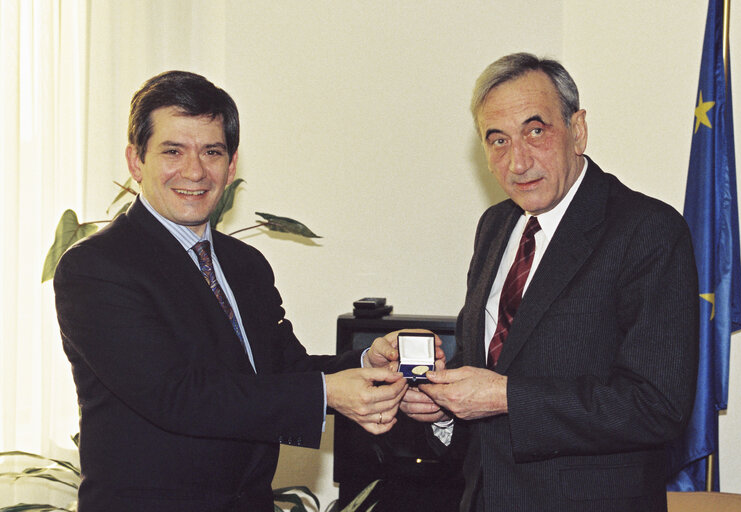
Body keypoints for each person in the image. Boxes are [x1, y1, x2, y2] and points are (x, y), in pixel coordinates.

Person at [54, 70, 406, 512]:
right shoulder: (96, 267)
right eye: (173, 151)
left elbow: (280, 369)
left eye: (211, 152)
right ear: (135, 161)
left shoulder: (245, 264)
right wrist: (329, 392)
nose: (195, 171)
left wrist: (363, 362)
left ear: (231, 164)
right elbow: (178, 395)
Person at [400, 53, 699, 511]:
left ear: (577, 130)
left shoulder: (648, 231)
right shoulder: (495, 226)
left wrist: (503, 397)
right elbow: (497, 363)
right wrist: (444, 408)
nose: (518, 161)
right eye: (497, 140)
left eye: (535, 131)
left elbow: (656, 405)